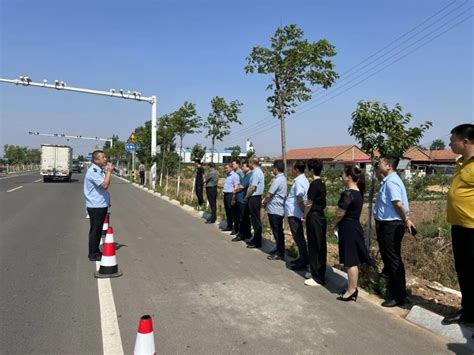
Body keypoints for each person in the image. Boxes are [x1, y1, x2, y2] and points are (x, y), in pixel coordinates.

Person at [442, 124, 474, 325]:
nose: (450, 143)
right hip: (459, 225)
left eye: (452, 140)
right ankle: (469, 312)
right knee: (463, 270)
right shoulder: (460, 163)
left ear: (466, 141)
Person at [374, 155, 415, 307]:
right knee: (390, 259)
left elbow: (397, 204)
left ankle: (399, 297)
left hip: (391, 225)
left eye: (381, 163)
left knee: (393, 259)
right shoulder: (388, 180)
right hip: (387, 224)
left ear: (389, 166)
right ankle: (394, 291)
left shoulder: (392, 182)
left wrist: (406, 219)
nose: (378, 165)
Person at [334, 166, 372, 301]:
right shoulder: (358, 193)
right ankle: (352, 288)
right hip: (354, 227)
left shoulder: (348, 194)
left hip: (348, 228)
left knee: (350, 261)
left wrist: (334, 223)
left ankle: (351, 290)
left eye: (343, 175)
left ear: (349, 177)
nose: (342, 177)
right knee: (352, 260)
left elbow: (340, 213)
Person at [83, 150, 113, 261]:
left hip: (99, 204)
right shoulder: (93, 171)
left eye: (105, 157)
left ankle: (95, 251)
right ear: (96, 160)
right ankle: (93, 254)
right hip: (96, 206)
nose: (105, 159)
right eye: (103, 157)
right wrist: (109, 172)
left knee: (98, 229)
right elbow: (104, 185)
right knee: (95, 230)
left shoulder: (98, 170)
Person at [303, 159, 327, 286]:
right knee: (318, 244)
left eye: (308, 168)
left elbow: (309, 203)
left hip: (314, 217)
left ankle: (318, 277)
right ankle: (315, 272)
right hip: (320, 216)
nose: (307, 170)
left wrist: (304, 216)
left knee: (315, 246)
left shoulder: (314, 184)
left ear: (312, 170)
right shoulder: (321, 183)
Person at [285, 163, 310, 271]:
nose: (290, 170)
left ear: (296, 169)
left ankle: (303, 262)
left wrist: (304, 212)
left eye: (292, 168)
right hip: (295, 213)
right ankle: (301, 258)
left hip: (295, 213)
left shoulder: (299, 181)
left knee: (299, 238)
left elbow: (300, 200)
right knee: (298, 237)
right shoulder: (302, 179)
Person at [262, 160, 287, 260]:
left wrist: (264, 202)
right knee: (278, 231)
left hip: (275, 210)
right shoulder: (283, 179)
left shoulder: (277, 180)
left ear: (276, 169)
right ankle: (278, 248)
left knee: (277, 232)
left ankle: (280, 253)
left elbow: (269, 194)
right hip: (278, 209)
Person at [245, 157, 265, 248]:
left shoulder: (256, 172)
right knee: (255, 220)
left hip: (254, 197)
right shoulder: (257, 171)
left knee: (255, 220)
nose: (248, 165)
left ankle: (257, 241)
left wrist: (247, 196)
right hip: (256, 197)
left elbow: (253, 187)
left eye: (249, 163)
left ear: (252, 163)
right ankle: (256, 239)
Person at [232, 162, 253, 242]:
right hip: (241, 198)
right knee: (245, 218)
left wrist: (235, 191)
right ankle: (247, 233)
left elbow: (241, 187)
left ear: (248, 167)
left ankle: (241, 234)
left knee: (242, 218)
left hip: (242, 199)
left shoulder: (248, 176)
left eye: (244, 166)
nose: (242, 168)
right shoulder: (246, 175)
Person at [222, 163, 240, 232]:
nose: (225, 169)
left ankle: (235, 229)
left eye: (226, 168)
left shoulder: (235, 176)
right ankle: (229, 226)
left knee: (233, 212)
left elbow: (236, 187)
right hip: (226, 194)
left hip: (231, 195)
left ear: (231, 168)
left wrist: (233, 197)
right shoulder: (227, 175)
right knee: (228, 211)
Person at [231, 160, 245, 235]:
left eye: (233, 164)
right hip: (236, 194)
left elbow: (241, 184)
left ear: (238, 165)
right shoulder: (235, 173)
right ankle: (235, 229)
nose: (232, 165)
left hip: (239, 194)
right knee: (235, 213)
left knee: (238, 214)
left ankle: (238, 230)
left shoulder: (240, 173)